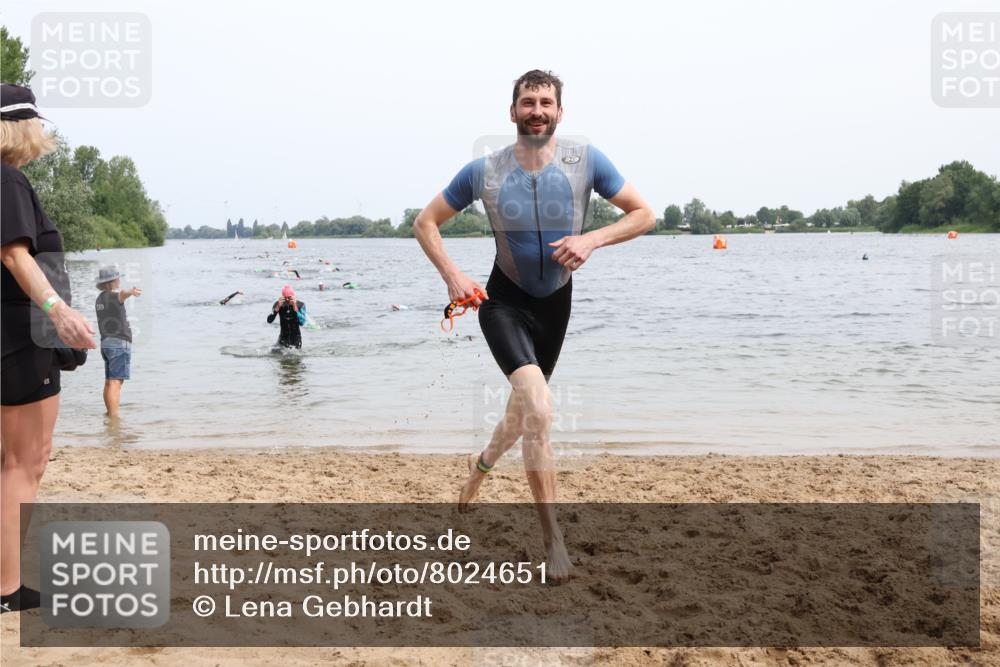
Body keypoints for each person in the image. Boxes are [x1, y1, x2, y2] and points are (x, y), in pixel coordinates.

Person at [413, 70, 655, 580]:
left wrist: (592, 240)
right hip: (503, 304)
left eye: (546, 102)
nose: (537, 110)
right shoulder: (483, 172)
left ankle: (479, 469)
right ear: (513, 112)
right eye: (528, 102)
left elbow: (642, 214)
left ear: (560, 113)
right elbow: (425, 221)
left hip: (555, 308)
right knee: (541, 411)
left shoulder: (587, 162)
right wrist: (453, 274)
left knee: (521, 416)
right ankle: (554, 543)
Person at [1, 84, 96, 613]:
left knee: (14, 461)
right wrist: (60, 312)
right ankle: (8, 590)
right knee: (24, 461)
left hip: (13, 334)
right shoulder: (8, 179)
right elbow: (15, 254)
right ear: (24, 126)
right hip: (19, 335)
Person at [94, 266, 140, 417]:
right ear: (113, 281)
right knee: (115, 382)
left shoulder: (99, 299)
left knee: (109, 381)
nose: (119, 280)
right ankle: (114, 419)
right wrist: (131, 292)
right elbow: (122, 294)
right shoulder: (114, 297)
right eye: (118, 278)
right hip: (119, 343)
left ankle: (109, 414)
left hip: (105, 343)